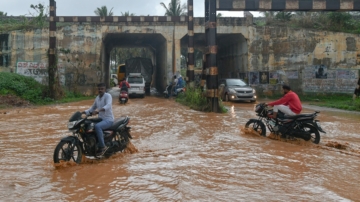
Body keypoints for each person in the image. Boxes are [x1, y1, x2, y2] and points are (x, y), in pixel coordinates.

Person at [83, 83, 114, 156]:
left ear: (105, 89)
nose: (100, 90)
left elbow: (108, 105)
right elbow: (92, 108)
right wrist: (84, 112)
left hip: (108, 119)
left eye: (102, 89)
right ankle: (91, 143)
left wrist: (98, 111)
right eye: (99, 89)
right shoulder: (97, 98)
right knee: (87, 122)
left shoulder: (108, 96)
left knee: (97, 126)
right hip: (101, 118)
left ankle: (103, 146)